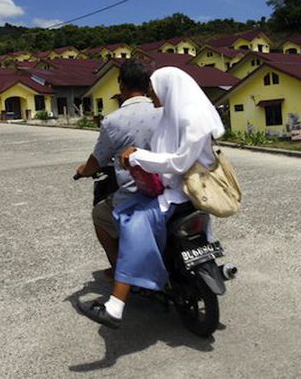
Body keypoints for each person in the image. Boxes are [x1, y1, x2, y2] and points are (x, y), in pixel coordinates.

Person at [77, 66, 225, 329]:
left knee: (133, 225)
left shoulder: (189, 120)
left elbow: (178, 162)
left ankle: (116, 303)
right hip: (182, 192)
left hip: (175, 194)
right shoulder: (172, 115)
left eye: (154, 89)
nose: (151, 95)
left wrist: (136, 156)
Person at [76, 60, 161, 278]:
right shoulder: (164, 111)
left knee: (100, 215)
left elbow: (97, 159)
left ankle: (120, 270)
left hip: (140, 192)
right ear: (148, 85)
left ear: (121, 86)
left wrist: (83, 170)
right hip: (171, 187)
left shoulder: (113, 121)